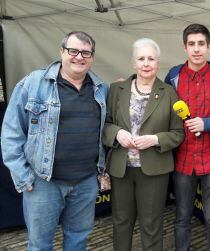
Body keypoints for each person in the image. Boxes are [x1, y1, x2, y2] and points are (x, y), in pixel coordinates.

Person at [1, 31, 108, 250]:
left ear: (92, 56)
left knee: (78, 240)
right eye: (73, 51)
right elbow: (11, 132)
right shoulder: (33, 83)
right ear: (62, 52)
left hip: (86, 181)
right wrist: (24, 176)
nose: (79, 57)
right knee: (40, 245)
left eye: (86, 52)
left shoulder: (100, 89)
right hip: (43, 182)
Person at [102, 38, 184, 251]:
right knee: (121, 222)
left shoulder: (169, 92)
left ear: (158, 62)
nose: (146, 63)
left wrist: (155, 139)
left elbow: (178, 133)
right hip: (122, 168)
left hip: (155, 169)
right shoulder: (116, 89)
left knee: (151, 224)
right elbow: (106, 124)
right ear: (133, 62)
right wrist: (117, 133)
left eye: (151, 59)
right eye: (141, 58)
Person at [164, 23, 210, 251]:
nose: (196, 49)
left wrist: (206, 123)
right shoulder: (173, 76)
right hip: (182, 159)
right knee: (182, 217)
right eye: (191, 44)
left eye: (201, 44)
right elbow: (161, 107)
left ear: (209, 46)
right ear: (184, 47)